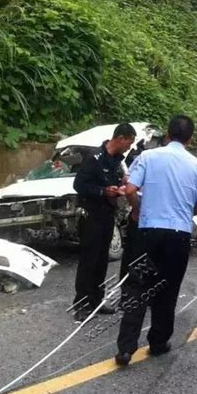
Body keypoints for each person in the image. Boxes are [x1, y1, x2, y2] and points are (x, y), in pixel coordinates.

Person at [115, 115, 197, 365]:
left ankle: (126, 348)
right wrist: (181, 212)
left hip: (147, 233)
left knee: (137, 286)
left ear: (167, 135)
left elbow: (129, 190)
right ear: (190, 139)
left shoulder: (147, 157)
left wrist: (138, 210)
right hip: (177, 237)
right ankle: (158, 343)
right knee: (167, 290)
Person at [73, 123, 136, 320]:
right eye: (129, 143)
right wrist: (102, 191)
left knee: (102, 261)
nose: (129, 148)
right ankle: (81, 304)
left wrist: (120, 186)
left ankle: (96, 300)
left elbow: (115, 181)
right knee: (89, 260)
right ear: (121, 138)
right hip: (91, 214)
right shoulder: (95, 158)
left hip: (107, 214)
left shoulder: (117, 161)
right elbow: (79, 185)